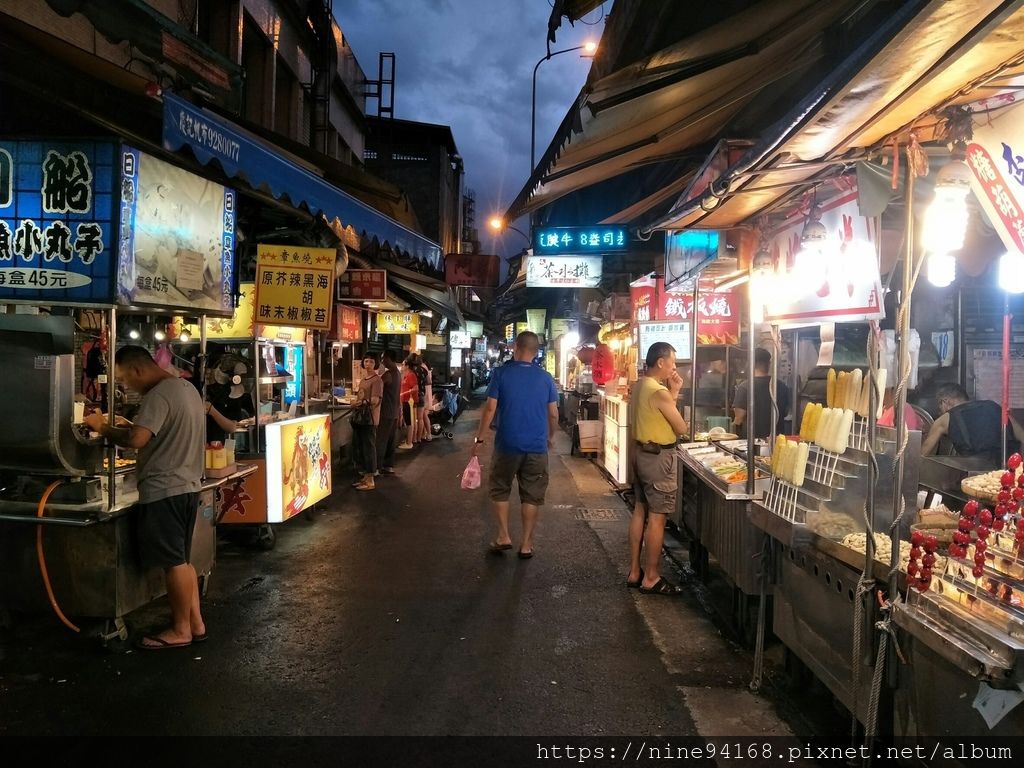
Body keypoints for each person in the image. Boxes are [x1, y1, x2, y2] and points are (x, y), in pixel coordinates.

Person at [83, 346, 206, 650]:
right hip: (188, 486)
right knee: (183, 560)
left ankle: (180, 630)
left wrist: (102, 427)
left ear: (137, 370)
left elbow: (138, 440)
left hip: (165, 489)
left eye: (125, 379)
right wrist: (130, 425)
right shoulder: (187, 389)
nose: (127, 386)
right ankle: (195, 623)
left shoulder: (158, 395)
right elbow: (158, 432)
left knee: (174, 563)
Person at [473, 331, 558, 559]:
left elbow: (490, 408)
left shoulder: (501, 374)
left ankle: (503, 536)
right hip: (537, 446)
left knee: (500, 487)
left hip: (507, 444)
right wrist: (550, 436)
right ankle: (527, 544)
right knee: (532, 494)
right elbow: (553, 414)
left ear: (516, 347)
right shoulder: (546, 378)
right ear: (536, 351)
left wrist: (479, 438)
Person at [627, 341, 689, 596]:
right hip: (658, 460)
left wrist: (672, 391)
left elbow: (657, 414)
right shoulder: (659, 392)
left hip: (641, 455)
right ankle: (651, 577)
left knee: (640, 512)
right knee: (657, 518)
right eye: (673, 361)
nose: (674, 366)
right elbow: (681, 427)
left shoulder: (641, 385)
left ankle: (634, 572)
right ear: (661, 362)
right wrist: (674, 392)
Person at [922, 382, 1022, 460]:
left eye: (939, 409)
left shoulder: (944, 419)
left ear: (944, 402)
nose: (940, 413)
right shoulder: (993, 406)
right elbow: (1022, 436)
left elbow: (924, 454)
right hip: (1009, 470)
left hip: (974, 477)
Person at [732, 348, 791, 440]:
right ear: (769, 364)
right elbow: (786, 412)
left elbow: (739, 418)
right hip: (776, 441)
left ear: (751, 364)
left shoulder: (745, 387)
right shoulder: (781, 386)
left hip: (752, 442)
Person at [352, 352, 383, 491]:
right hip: (361, 418)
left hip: (370, 418)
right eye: (366, 361)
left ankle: (370, 479)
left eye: (371, 361)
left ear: (375, 363)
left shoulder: (377, 380)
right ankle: (365, 477)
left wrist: (360, 403)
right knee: (362, 448)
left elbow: (376, 400)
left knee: (369, 448)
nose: (368, 364)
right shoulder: (364, 380)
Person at [376, 349, 402, 474]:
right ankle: (388, 465)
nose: (382, 361)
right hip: (394, 412)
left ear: (388, 358)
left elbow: (377, 386)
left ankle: (377, 467)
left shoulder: (388, 375)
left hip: (386, 411)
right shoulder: (398, 373)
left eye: (383, 358)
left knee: (381, 440)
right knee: (390, 440)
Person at [399, 357, 419, 450]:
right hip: (405, 401)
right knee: (408, 421)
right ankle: (408, 440)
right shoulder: (406, 375)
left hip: (409, 401)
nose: (401, 366)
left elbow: (415, 388)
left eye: (403, 364)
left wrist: (404, 393)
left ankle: (409, 442)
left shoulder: (411, 375)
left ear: (407, 366)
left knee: (409, 422)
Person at [418, 357, 434, 443]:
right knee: (424, 414)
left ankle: (428, 434)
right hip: (428, 392)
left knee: (424, 415)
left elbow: (428, 382)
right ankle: (424, 434)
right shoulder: (426, 367)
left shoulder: (422, 368)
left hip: (425, 393)